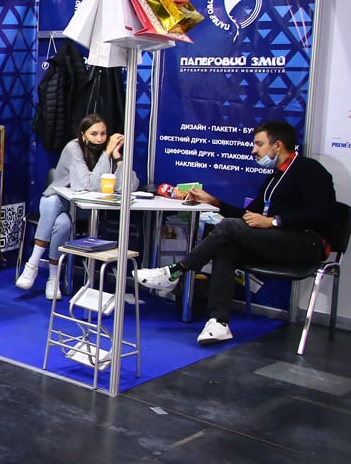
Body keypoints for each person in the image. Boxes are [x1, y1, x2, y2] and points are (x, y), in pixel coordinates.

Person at [137, 120, 336, 345]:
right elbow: (248, 216)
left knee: (230, 227)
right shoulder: (273, 178)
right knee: (227, 247)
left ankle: (175, 272)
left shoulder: (309, 169)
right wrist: (215, 202)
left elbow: (320, 213)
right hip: (279, 242)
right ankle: (218, 322)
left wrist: (273, 221)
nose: (253, 150)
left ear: (277, 145)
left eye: (259, 144)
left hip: (309, 243)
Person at [17, 114, 136, 300]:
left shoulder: (109, 150)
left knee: (61, 218)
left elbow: (130, 186)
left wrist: (117, 157)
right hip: (57, 202)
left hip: (82, 209)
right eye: (94, 134)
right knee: (59, 217)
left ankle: (37, 266)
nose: (99, 139)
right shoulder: (74, 148)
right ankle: (47, 274)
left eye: (103, 134)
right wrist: (106, 154)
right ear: (83, 135)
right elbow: (85, 184)